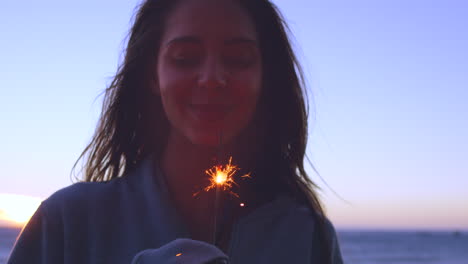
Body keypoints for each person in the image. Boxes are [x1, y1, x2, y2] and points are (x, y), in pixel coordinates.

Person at [8, 0, 343, 263]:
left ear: (265, 79)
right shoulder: (65, 224)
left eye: (238, 58)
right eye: (185, 58)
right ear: (153, 75)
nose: (212, 77)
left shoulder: (309, 237)